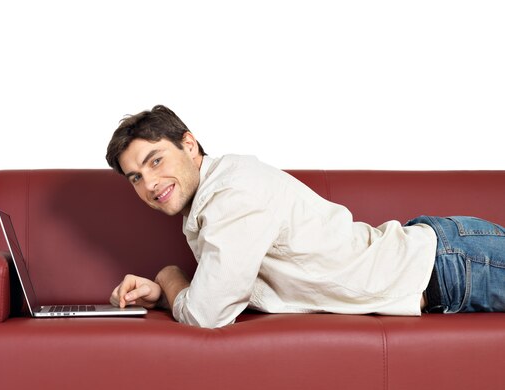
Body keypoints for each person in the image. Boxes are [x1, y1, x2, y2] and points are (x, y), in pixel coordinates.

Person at [105, 105, 505, 328]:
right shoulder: (216, 193)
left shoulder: (231, 194)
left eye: (156, 160)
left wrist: (168, 277)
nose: (151, 183)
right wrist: (164, 297)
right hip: (445, 263)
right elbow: (217, 295)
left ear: (189, 145)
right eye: (136, 177)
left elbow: (207, 314)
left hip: (453, 265)